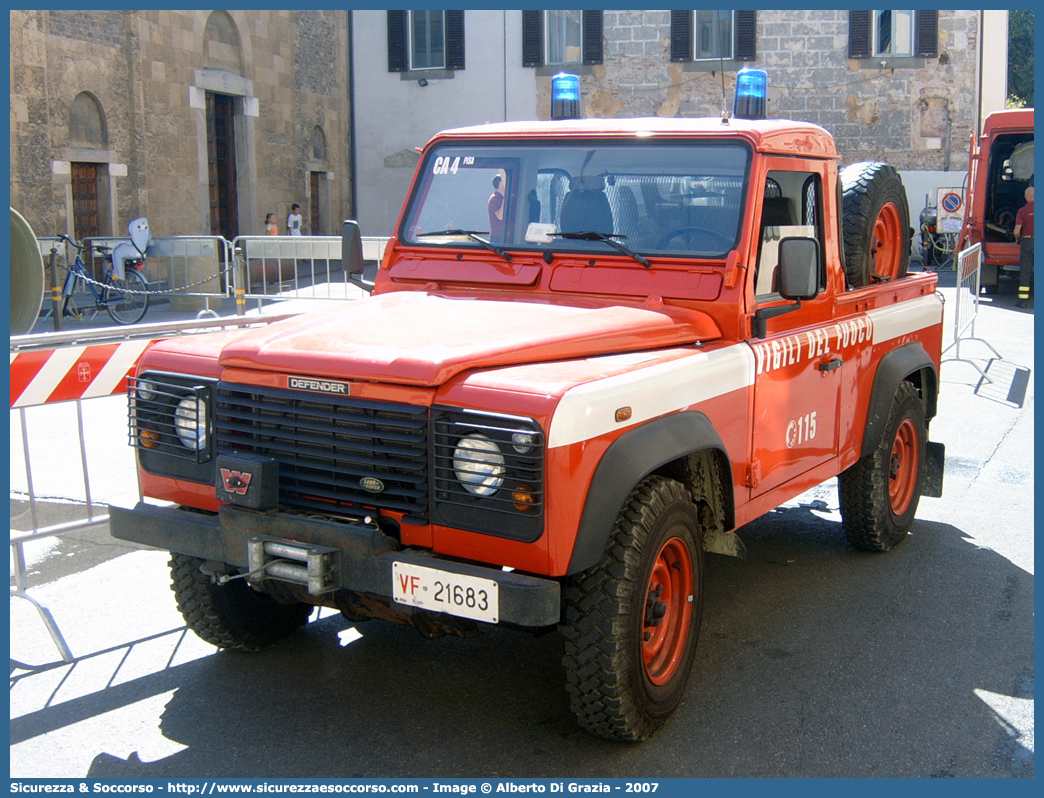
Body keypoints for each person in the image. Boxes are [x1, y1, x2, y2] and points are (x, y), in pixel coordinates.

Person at [1014, 186, 1034, 307]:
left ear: (1026, 197)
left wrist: (1018, 238)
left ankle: (1023, 301)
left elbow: (1017, 230)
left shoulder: (1022, 211)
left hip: (1027, 242)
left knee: (1026, 270)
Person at [487, 175, 505, 241]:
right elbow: (500, 216)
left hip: (503, 237)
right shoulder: (495, 198)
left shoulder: (500, 198)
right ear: (501, 184)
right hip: (497, 238)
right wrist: (505, 200)